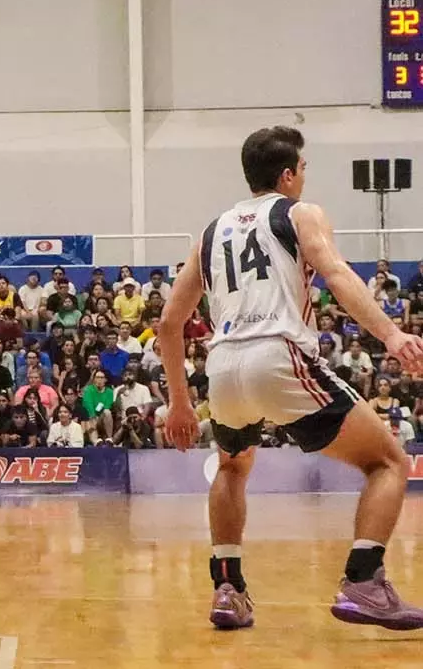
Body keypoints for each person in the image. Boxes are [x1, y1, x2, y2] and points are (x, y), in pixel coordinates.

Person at [160, 126, 423, 631]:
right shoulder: (300, 212)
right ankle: (364, 582)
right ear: (287, 174)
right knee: (388, 461)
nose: (304, 178)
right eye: (302, 169)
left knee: (232, 469)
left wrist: (179, 403)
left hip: (223, 369)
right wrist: (391, 335)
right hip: (278, 355)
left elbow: (170, 323)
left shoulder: (210, 231)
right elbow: (337, 273)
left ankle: (228, 591)